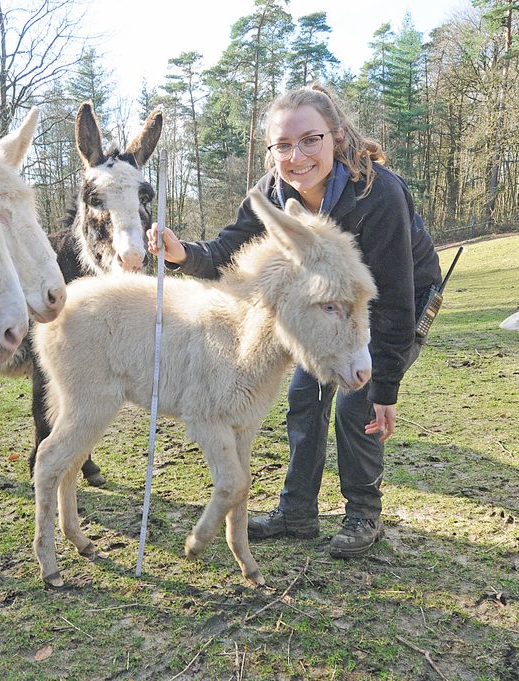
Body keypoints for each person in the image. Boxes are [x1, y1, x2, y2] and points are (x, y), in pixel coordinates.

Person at [147, 83, 441, 559]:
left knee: (355, 403)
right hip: (322, 308)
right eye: (283, 145)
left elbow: (395, 302)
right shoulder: (270, 191)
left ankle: (363, 514)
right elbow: (225, 251)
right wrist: (182, 253)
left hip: (395, 302)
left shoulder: (378, 194)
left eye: (310, 140)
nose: (297, 155)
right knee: (304, 396)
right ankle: (298, 513)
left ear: (337, 137)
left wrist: (385, 388)